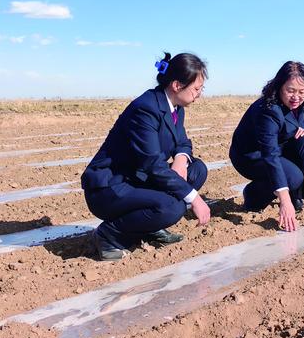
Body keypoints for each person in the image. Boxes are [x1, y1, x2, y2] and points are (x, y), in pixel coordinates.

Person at [81, 52, 212, 260]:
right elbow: (152, 164)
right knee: (173, 206)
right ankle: (109, 235)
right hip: (111, 187)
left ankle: (148, 227)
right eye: (197, 89)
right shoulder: (146, 109)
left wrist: (180, 158)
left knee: (197, 169)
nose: (199, 94)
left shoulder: (176, 107)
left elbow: (183, 142)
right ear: (177, 85)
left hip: (138, 179)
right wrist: (194, 198)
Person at [229, 61, 304, 232]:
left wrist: (303, 127)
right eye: (290, 90)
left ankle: (295, 196)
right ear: (279, 86)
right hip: (252, 155)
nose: (296, 97)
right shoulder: (268, 109)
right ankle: (254, 195)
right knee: (292, 177)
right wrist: (283, 201)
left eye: (301, 92)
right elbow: (269, 154)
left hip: (279, 145)